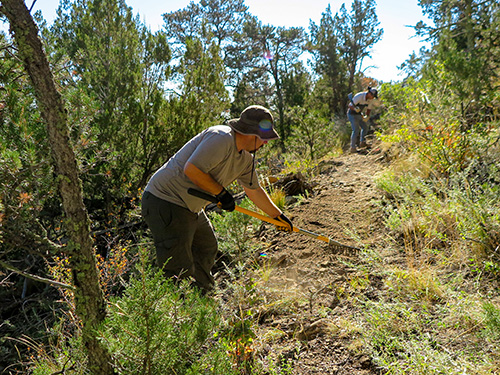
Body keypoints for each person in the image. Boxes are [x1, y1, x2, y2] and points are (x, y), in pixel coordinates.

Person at [141, 105, 293, 292]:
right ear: (251, 133)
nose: (266, 143)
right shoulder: (221, 138)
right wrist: (221, 194)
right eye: (264, 138)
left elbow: (253, 190)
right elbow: (192, 169)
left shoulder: (246, 158)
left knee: (206, 246)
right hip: (165, 200)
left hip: (190, 207)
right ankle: (180, 312)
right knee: (178, 268)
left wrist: (277, 216)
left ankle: (203, 297)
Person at [347, 87, 378, 153]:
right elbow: (350, 105)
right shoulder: (359, 96)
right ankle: (352, 148)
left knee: (365, 127)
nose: (373, 98)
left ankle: (362, 142)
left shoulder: (370, 100)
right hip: (352, 114)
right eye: (373, 96)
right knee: (356, 130)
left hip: (359, 114)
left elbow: (368, 109)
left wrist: (367, 116)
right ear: (369, 93)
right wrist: (355, 109)